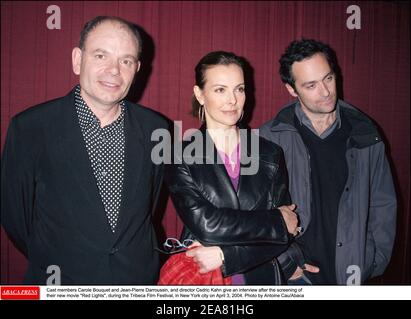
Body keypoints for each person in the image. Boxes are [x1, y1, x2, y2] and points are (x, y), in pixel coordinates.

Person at [1, 16, 167, 284]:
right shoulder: (31, 127)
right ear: (78, 59)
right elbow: (14, 215)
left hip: (136, 281)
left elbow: (152, 202)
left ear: (136, 68)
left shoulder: (157, 129)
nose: (114, 70)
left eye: (125, 61)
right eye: (101, 56)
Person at [260, 39, 397, 285]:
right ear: (292, 90)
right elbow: (257, 210)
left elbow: (383, 203)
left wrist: (374, 260)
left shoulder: (366, 133)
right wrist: (285, 261)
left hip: (351, 273)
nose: (325, 92)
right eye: (311, 85)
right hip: (297, 278)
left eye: (328, 78)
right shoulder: (270, 138)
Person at [164, 51, 299, 285]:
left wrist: (225, 256)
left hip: (261, 278)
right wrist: (275, 222)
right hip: (204, 279)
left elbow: (284, 235)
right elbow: (207, 225)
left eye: (240, 89)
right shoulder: (178, 154)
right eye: (220, 90)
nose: (233, 100)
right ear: (200, 94)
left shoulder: (270, 153)